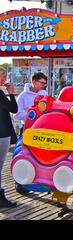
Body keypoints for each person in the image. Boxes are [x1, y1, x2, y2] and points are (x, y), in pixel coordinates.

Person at [13, 71, 48, 195]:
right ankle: (20, 183)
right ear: (34, 82)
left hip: (42, 129)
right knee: (24, 154)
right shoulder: (23, 96)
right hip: (28, 129)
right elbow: (16, 115)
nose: (44, 85)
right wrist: (31, 114)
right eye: (42, 83)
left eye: (45, 83)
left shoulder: (45, 94)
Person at [0, 67, 18, 208]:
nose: (5, 80)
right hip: (2, 133)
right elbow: (13, 108)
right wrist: (11, 94)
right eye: (4, 76)